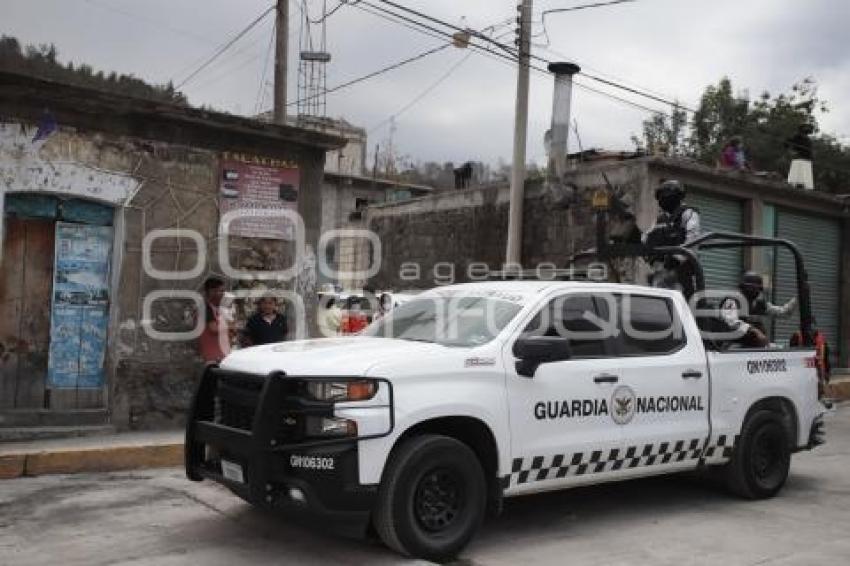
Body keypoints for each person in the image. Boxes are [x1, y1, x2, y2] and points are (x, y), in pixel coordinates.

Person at [643, 180, 701, 294]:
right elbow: (646, 238)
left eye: (663, 197)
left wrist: (676, 259)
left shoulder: (688, 213)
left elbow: (693, 239)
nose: (661, 201)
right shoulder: (660, 219)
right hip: (661, 273)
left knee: (683, 304)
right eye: (659, 198)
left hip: (682, 272)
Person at [720, 271, 797, 348]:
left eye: (757, 289)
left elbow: (783, 312)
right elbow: (731, 321)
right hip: (733, 346)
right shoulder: (732, 300)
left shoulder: (759, 304)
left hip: (755, 347)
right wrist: (754, 331)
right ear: (744, 288)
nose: (756, 291)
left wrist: (796, 299)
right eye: (752, 288)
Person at [197, 277, 231, 364]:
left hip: (220, 354)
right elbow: (213, 328)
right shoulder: (205, 308)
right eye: (221, 291)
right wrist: (232, 327)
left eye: (223, 291)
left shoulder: (216, 309)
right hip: (213, 357)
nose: (223, 294)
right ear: (211, 292)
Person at [786, 123, 815, 189]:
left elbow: (810, 150)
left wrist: (811, 156)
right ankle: (795, 184)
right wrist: (791, 151)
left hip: (807, 159)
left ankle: (805, 185)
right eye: (805, 128)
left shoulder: (808, 140)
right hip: (798, 157)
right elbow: (787, 143)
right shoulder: (796, 136)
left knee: (806, 176)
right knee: (796, 174)